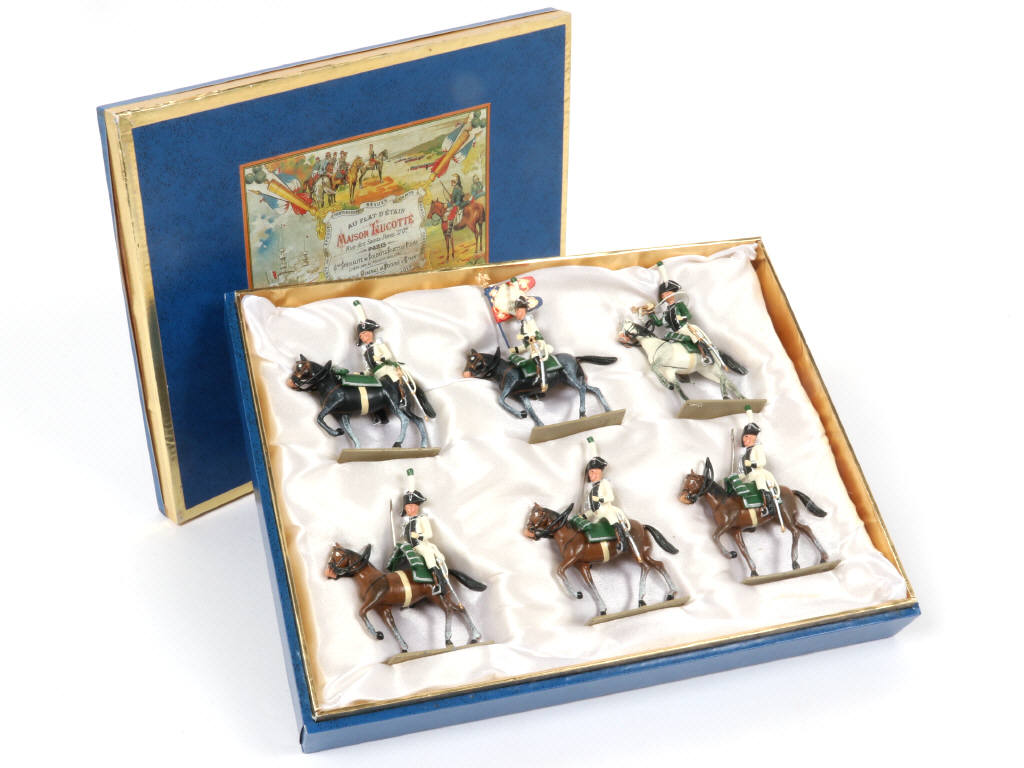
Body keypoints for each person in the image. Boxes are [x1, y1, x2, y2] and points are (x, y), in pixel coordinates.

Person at [353, 300, 436, 419]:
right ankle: (380, 414)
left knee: (392, 381)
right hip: (376, 375)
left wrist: (379, 357)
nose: (364, 337)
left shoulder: (379, 344)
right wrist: (361, 374)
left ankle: (403, 398)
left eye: (365, 334)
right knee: (371, 391)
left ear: (371, 333)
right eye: (361, 336)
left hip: (386, 370)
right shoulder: (365, 353)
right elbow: (369, 369)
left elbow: (388, 356)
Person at [388, 469, 449, 595]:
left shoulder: (422, 519)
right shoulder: (406, 523)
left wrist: (418, 535)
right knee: (398, 552)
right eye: (408, 507)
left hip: (420, 545)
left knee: (428, 555)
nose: (410, 509)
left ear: (417, 506)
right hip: (409, 546)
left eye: (412, 506)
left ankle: (439, 582)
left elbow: (429, 534)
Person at [581, 437, 638, 559]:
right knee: (589, 527)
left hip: (607, 510)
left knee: (613, 520)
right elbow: (594, 508)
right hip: (597, 514)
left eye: (596, 472)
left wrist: (600, 500)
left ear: (601, 472)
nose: (593, 475)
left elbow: (610, 497)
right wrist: (585, 515)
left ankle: (622, 542)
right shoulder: (591, 489)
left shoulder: (605, 483)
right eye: (591, 473)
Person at [739, 418, 783, 525]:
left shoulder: (758, 448)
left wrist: (752, 464)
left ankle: (769, 505)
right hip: (749, 476)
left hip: (758, 473)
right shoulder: (743, 456)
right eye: (745, 437)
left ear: (754, 438)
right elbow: (741, 469)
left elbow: (762, 462)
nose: (746, 439)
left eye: (749, 437)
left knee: (759, 477)